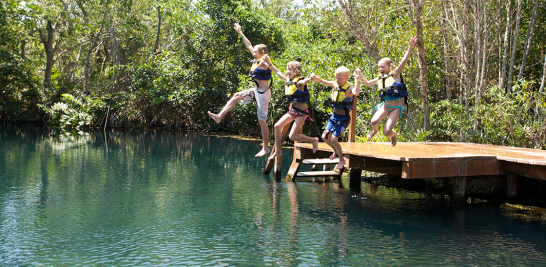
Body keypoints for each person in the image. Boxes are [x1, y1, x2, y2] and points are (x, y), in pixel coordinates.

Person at [207, 23, 272, 157]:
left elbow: (271, 67)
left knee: (262, 121)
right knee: (236, 95)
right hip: (255, 91)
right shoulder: (256, 58)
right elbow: (248, 45)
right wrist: (240, 33)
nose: (253, 53)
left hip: (263, 94)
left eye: (255, 52)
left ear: (263, 53)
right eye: (253, 52)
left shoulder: (265, 62)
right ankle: (219, 117)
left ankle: (265, 148)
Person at [359, 38, 417, 147]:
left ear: (390, 66)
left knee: (386, 133)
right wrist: (360, 76)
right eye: (379, 67)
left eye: (383, 66)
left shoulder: (395, 74)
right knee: (373, 122)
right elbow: (366, 83)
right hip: (386, 106)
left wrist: (411, 46)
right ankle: (374, 131)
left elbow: (404, 60)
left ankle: (393, 135)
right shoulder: (380, 78)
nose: (380, 68)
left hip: (395, 108)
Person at [264, 58, 319, 160]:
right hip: (293, 111)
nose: (287, 71)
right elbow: (277, 72)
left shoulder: (300, 81)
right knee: (277, 126)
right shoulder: (288, 80)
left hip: (302, 113)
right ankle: (278, 151)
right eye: (287, 69)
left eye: (290, 69)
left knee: (292, 137)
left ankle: (314, 140)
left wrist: (311, 78)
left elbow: (305, 81)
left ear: (296, 71)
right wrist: (269, 63)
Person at [310, 67, 361, 170]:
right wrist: (315, 77)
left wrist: (356, 79)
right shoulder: (334, 84)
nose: (337, 80)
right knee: (324, 137)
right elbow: (322, 81)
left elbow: (356, 92)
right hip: (334, 117)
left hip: (343, 118)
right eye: (336, 77)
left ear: (346, 78)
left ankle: (341, 160)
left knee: (333, 138)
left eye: (339, 78)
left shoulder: (349, 87)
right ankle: (336, 151)